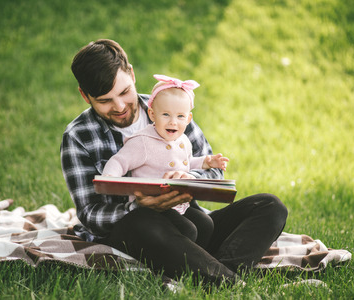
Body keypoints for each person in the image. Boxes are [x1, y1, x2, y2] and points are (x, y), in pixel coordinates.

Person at [61, 39, 288, 284]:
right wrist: (140, 206)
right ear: (85, 96)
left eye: (124, 92)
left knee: (269, 207)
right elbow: (90, 213)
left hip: (191, 225)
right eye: (104, 101)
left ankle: (214, 268)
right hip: (138, 233)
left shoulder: (170, 106)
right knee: (142, 222)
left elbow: (213, 173)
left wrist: (189, 181)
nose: (119, 106)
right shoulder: (78, 136)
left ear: (132, 75)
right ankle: (223, 280)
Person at [102, 74, 229, 248]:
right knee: (188, 230)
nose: (173, 122)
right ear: (152, 114)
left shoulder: (183, 140)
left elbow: (186, 162)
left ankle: (200, 256)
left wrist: (206, 162)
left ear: (189, 119)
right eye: (166, 115)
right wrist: (110, 177)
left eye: (180, 117)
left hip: (178, 205)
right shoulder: (143, 142)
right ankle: (179, 262)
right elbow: (119, 161)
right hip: (152, 208)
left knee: (206, 224)